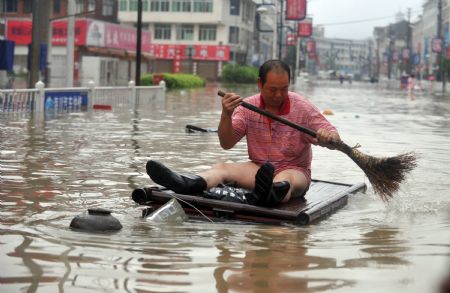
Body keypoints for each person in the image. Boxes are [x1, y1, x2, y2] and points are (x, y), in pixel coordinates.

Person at [145, 60, 340, 207]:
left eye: (284, 89)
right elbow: (226, 143)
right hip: (258, 168)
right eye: (273, 90)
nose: (279, 95)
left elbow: (332, 135)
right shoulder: (247, 106)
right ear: (259, 84)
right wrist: (226, 114)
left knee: (285, 179)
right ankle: (189, 184)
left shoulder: (302, 106)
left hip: (295, 171)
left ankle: (268, 194)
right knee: (222, 167)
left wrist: (328, 137)